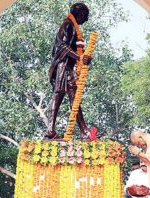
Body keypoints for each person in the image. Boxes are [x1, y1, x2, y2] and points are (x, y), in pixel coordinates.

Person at [44, 3, 102, 140]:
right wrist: (80, 57)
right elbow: (62, 46)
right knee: (58, 96)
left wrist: (82, 58)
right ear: (80, 14)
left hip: (67, 67)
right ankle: (51, 131)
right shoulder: (68, 25)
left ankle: (83, 131)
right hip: (62, 66)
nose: (86, 20)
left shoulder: (72, 26)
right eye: (85, 16)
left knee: (73, 98)